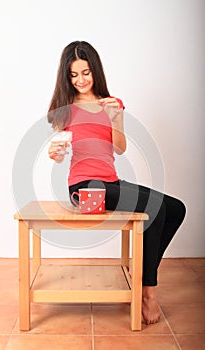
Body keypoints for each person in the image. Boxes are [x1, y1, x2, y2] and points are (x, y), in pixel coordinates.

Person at [47, 41, 186, 325]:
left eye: (86, 72)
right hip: (83, 188)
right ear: (66, 77)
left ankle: (144, 269)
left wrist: (114, 118)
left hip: (110, 181)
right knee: (153, 208)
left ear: (95, 70)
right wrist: (55, 153)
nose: (81, 80)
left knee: (174, 209)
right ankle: (148, 291)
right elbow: (59, 153)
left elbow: (120, 148)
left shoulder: (112, 104)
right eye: (74, 75)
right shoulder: (65, 108)